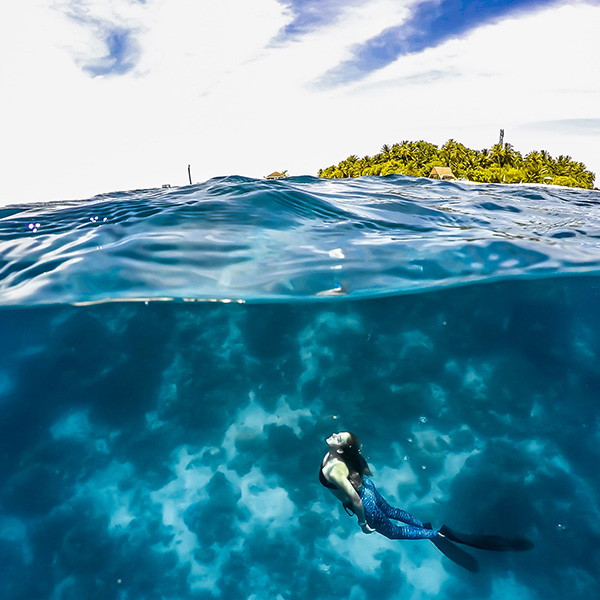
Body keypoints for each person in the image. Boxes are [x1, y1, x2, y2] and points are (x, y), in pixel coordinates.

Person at [319, 431, 440, 541]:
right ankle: (420, 525)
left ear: (340, 450)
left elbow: (356, 501)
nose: (334, 434)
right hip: (366, 486)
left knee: (393, 532)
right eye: (337, 435)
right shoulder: (341, 453)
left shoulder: (333, 471)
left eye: (338, 439)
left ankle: (437, 534)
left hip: (365, 502)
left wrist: (363, 524)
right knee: (391, 511)